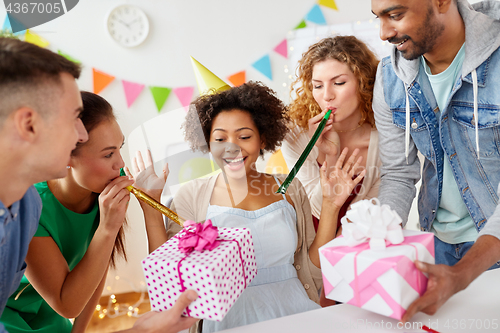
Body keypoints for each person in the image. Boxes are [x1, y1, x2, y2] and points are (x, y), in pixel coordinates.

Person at [128, 81, 364, 332]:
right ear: (208, 143)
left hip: (295, 314)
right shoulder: (191, 196)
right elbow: (170, 280)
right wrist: (150, 208)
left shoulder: (290, 189)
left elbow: (312, 265)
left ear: (262, 139)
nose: (232, 147)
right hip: (228, 322)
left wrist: (330, 205)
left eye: (244, 136)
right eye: (220, 138)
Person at [0, 37, 196, 333]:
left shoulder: (26, 206)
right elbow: (67, 302)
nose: (80, 134)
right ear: (28, 124)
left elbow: (93, 276)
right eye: (73, 118)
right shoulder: (34, 208)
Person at [370, 0, 500, 321]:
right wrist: (370, 253)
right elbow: (399, 174)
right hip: (437, 248)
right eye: (379, 18)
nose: (385, 32)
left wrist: (463, 274)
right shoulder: (390, 78)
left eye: (396, 15)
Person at [282, 35, 381, 233]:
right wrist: (331, 155)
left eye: (339, 83)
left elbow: (370, 216)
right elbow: (317, 209)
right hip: (307, 249)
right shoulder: (295, 137)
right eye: (318, 86)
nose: (327, 95)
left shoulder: (385, 139)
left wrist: (336, 257)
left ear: (364, 83)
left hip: (358, 244)